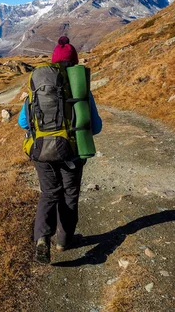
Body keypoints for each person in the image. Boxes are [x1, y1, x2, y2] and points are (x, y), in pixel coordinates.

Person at [18, 36, 102, 264]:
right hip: (71, 153)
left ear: (53, 63)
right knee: (70, 195)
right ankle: (64, 241)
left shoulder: (38, 87)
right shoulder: (80, 89)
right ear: (74, 63)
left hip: (41, 151)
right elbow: (96, 127)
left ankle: (42, 238)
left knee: (49, 193)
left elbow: (23, 123)